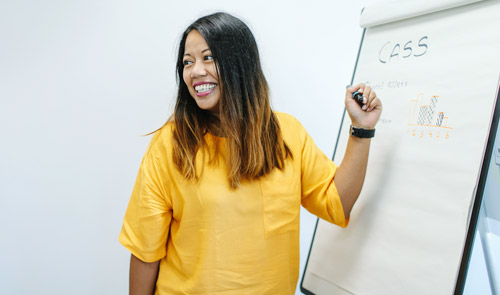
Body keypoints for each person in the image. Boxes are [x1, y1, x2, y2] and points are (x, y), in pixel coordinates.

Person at [119, 12, 382, 295]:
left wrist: (362, 130)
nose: (195, 71)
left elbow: (337, 204)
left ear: (240, 63)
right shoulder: (170, 144)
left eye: (208, 57)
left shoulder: (287, 133)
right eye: (187, 61)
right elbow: (145, 251)